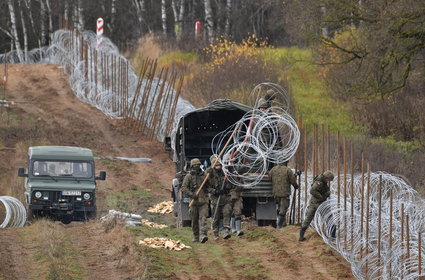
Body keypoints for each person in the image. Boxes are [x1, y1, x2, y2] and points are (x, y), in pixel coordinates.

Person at [299, 170, 334, 241]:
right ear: (325, 178)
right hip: (317, 203)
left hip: (315, 203)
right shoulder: (319, 182)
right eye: (328, 180)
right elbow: (312, 191)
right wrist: (321, 196)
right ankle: (301, 236)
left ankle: (332, 235)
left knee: (311, 218)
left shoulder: (322, 181)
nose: (328, 181)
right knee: (328, 217)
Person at [181, 158, 209, 243]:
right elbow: (183, 188)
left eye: (198, 165)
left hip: (203, 201)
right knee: (194, 220)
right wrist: (191, 194)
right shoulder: (189, 176)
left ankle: (203, 235)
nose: (196, 166)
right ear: (192, 166)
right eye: (194, 165)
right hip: (193, 202)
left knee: (203, 218)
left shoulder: (204, 175)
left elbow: (210, 184)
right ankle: (196, 236)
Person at [207, 154, 233, 240]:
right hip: (215, 198)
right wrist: (215, 191)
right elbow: (206, 187)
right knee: (216, 216)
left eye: (219, 165)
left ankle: (226, 231)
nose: (218, 167)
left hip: (225, 197)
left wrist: (230, 173)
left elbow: (231, 183)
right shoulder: (209, 173)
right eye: (216, 165)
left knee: (227, 213)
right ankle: (215, 233)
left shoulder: (224, 171)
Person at [269, 161, 299, 228]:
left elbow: (269, 177)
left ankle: (283, 224)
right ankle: (279, 226)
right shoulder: (288, 170)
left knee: (279, 208)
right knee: (283, 209)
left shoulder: (273, 169)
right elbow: (293, 181)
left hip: (276, 193)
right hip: (285, 193)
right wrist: (296, 186)